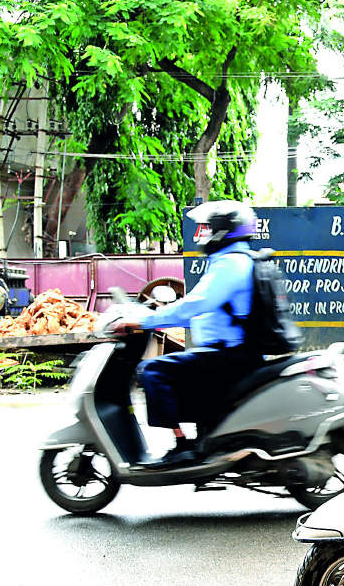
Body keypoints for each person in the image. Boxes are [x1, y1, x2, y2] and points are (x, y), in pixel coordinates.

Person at [110, 200, 266, 468]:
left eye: (208, 228)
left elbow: (194, 306)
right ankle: (201, 439)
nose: (204, 235)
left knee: (152, 371)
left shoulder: (230, 264)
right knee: (180, 369)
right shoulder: (236, 261)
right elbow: (204, 310)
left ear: (223, 231)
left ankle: (182, 445)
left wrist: (144, 321)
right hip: (231, 353)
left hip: (230, 356)